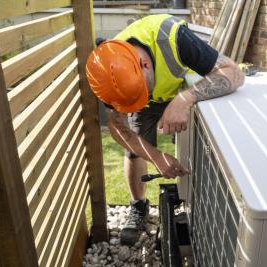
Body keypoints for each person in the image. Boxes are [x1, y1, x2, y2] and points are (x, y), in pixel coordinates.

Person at [86, 14, 244, 245]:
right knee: (134, 150)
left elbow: (234, 73)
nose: (137, 106)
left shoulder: (174, 38)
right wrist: (156, 156)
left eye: (142, 95)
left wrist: (183, 100)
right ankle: (138, 206)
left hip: (178, 89)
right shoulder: (107, 74)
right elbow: (118, 127)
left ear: (145, 64)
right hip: (148, 96)